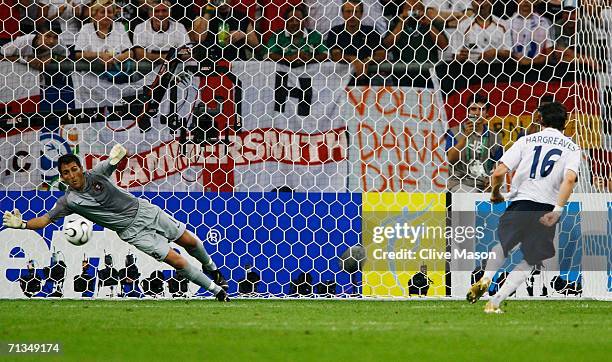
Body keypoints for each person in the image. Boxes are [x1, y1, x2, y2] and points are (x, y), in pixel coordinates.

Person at [2, 144, 230, 302]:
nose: (71, 175)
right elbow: (44, 220)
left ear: (81, 169)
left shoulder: (98, 174)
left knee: (189, 241)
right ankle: (217, 291)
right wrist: (21, 224)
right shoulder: (68, 201)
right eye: (66, 173)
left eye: (74, 170)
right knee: (176, 261)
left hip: (146, 211)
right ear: (62, 177)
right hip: (131, 232)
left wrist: (119, 155)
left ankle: (213, 269)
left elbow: (114, 162)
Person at [466, 102, 580, 313]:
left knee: (503, 245)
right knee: (531, 259)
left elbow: (498, 173)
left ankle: (486, 278)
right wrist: (557, 210)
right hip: (546, 208)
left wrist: (496, 194)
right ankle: (495, 302)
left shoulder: (526, 141)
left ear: (539, 119)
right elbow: (570, 179)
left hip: (520, 203)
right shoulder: (572, 147)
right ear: (565, 123)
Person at [446, 93, 503, 192]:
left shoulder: (495, 137)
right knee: (470, 194)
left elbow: (499, 165)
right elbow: (451, 159)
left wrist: (493, 179)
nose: (477, 113)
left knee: (501, 197)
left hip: (484, 184)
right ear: (468, 112)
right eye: (473, 109)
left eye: (482, 109)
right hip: (461, 183)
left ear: (487, 114)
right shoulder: (455, 132)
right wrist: (466, 136)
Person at [326, 0, 385, 79]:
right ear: (342, 14)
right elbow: (335, 55)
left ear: (361, 14)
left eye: (355, 11)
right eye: (348, 11)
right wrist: (353, 59)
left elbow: (381, 54)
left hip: (367, 81)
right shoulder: (335, 32)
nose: (352, 15)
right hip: (340, 82)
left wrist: (368, 60)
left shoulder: (371, 32)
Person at [383, 0, 448, 65]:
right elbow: (387, 46)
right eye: (409, 9)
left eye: (417, 8)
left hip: (428, 70)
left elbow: (443, 46)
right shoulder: (395, 24)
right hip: (402, 71)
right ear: (403, 10)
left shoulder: (432, 23)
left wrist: (428, 25)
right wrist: (401, 23)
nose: (413, 12)